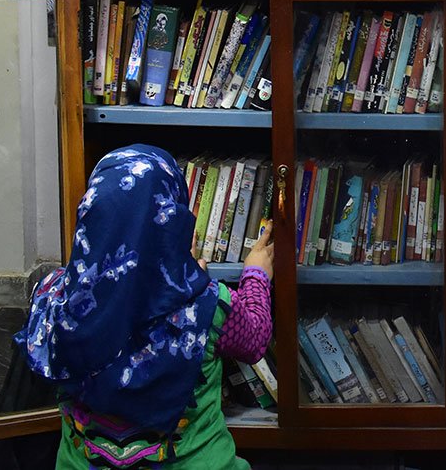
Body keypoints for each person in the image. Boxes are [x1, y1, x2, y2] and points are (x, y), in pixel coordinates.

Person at [16, 145, 274, 469]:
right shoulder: (207, 305)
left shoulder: (52, 297)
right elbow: (255, 337)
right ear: (174, 221)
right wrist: (256, 274)